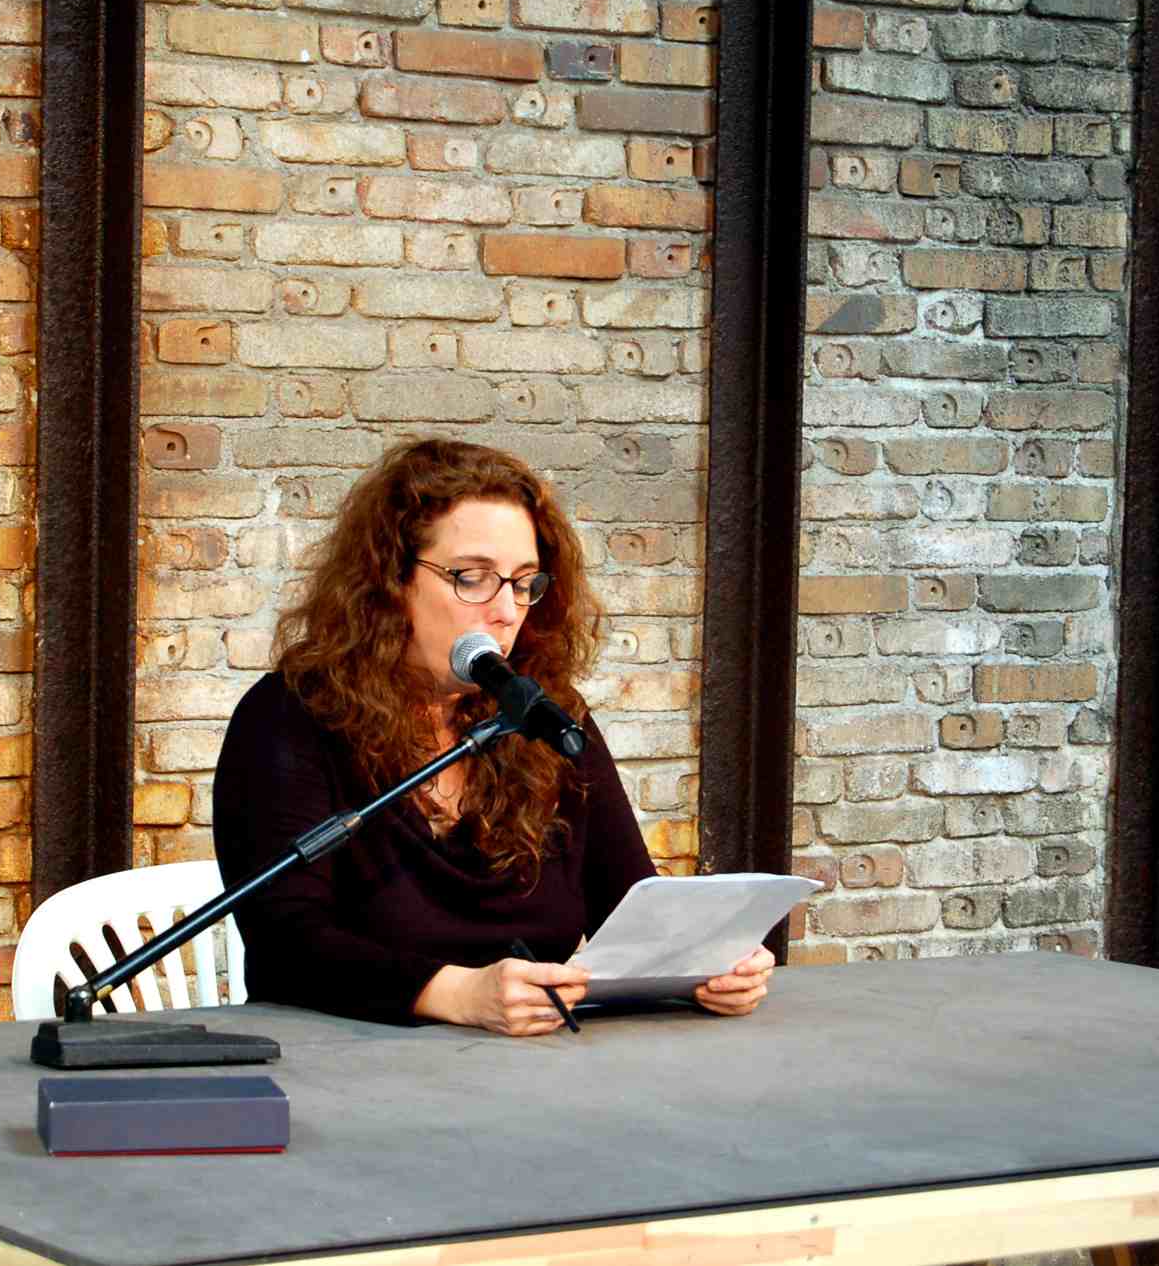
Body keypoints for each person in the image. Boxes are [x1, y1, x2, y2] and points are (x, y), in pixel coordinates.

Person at [214, 438, 774, 1035]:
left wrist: (701, 962)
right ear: (389, 582)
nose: (506, 610)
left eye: (524, 582)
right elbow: (287, 942)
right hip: (345, 1057)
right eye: (473, 578)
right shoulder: (289, 717)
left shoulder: (545, 717)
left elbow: (630, 906)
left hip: (531, 1062)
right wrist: (456, 993)